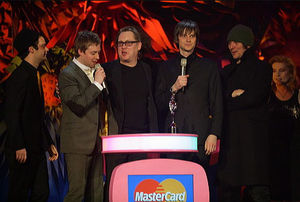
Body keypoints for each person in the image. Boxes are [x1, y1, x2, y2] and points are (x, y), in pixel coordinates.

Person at [101, 26, 158, 201]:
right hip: (117, 138)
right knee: (114, 186)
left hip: (140, 139)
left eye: (128, 43)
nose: (123, 47)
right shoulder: (107, 70)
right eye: (120, 43)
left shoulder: (148, 70)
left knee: (137, 188)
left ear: (139, 46)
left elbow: (152, 102)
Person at [155, 19, 223, 166]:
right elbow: (159, 103)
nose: (188, 39)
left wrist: (214, 134)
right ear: (177, 38)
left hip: (201, 137)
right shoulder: (165, 67)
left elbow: (217, 103)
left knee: (199, 182)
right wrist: (174, 88)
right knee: (174, 182)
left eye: (192, 36)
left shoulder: (208, 67)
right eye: (184, 35)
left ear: (196, 40)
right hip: (174, 137)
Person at [218, 24, 272, 202]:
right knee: (228, 190)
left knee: (257, 190)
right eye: (229, 43)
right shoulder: (226, 72)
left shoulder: (262, 68)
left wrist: (231, 99)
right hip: (231, 141)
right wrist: (234, 96)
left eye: (236, 42)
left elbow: (254, 97)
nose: (231, 46)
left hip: (253, 141)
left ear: (247, 44)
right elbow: (220, 102)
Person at [4, 28, 58, 202]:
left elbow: (37, 116)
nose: (46, 49)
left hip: (36, 148)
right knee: (18, 194)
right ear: (31, 49)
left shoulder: (34, 74)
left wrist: (48, 143)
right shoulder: (19, 76)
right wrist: (19, 145)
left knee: (41, 193)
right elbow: (11, 113)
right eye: (43, 46)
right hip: (23, 150)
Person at [58, 30, 106, 202]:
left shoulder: (96, 71)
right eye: (93, 53)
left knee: (96, 193)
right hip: (77, 144)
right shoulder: (67, 74)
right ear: (80, 51)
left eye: (98, 52)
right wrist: (97, 84)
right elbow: (78, 104)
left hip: (95, 142)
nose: (97, 57)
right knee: (77, 193)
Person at [268, 55, 300, 201]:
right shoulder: (266, 94)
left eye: (282, 70)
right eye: (274, 71)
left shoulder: (297, 95)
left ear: (290, 72)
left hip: (293, 153)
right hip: (270, 153)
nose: (278, 75)